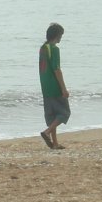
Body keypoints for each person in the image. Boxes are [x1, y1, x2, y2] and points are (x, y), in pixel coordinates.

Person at [38, 22, 70, 150]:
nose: (61, 37)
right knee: (64, 112)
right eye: (61, 35)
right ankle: (47, 132)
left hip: (45, 85)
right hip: (54, 86)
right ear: (57, 35)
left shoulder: (43, 48)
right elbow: (57, 70)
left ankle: (55, 143)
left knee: (52, 115)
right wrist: (64, 88)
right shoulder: (54, 49)